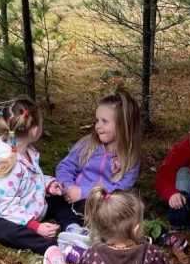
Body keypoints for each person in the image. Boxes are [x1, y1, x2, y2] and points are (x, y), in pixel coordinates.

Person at [0, 98, 63, 255]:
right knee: (3, 230)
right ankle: (51, 247)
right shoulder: (6, 162)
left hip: (28, 203)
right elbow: (5, 205)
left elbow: (30, 179)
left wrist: (48, 184)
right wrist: (35, 227)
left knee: (63, 199)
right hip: (3, 213)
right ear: (34, 130)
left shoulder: (25, 151)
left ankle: (73, 227)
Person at [52, 88, 143, 241]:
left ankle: (96, 232)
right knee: (56, 201)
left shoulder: (130, 156)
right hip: (74, 199)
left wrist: (85, 192)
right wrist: (68, 187)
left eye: (104, 121)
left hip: (104, 203)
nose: (97, 126)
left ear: (123, 125)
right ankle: (73, 229)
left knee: (133, 211)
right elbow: (66, 166)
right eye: (97, 120)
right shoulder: (88, 144)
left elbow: (122, 188)